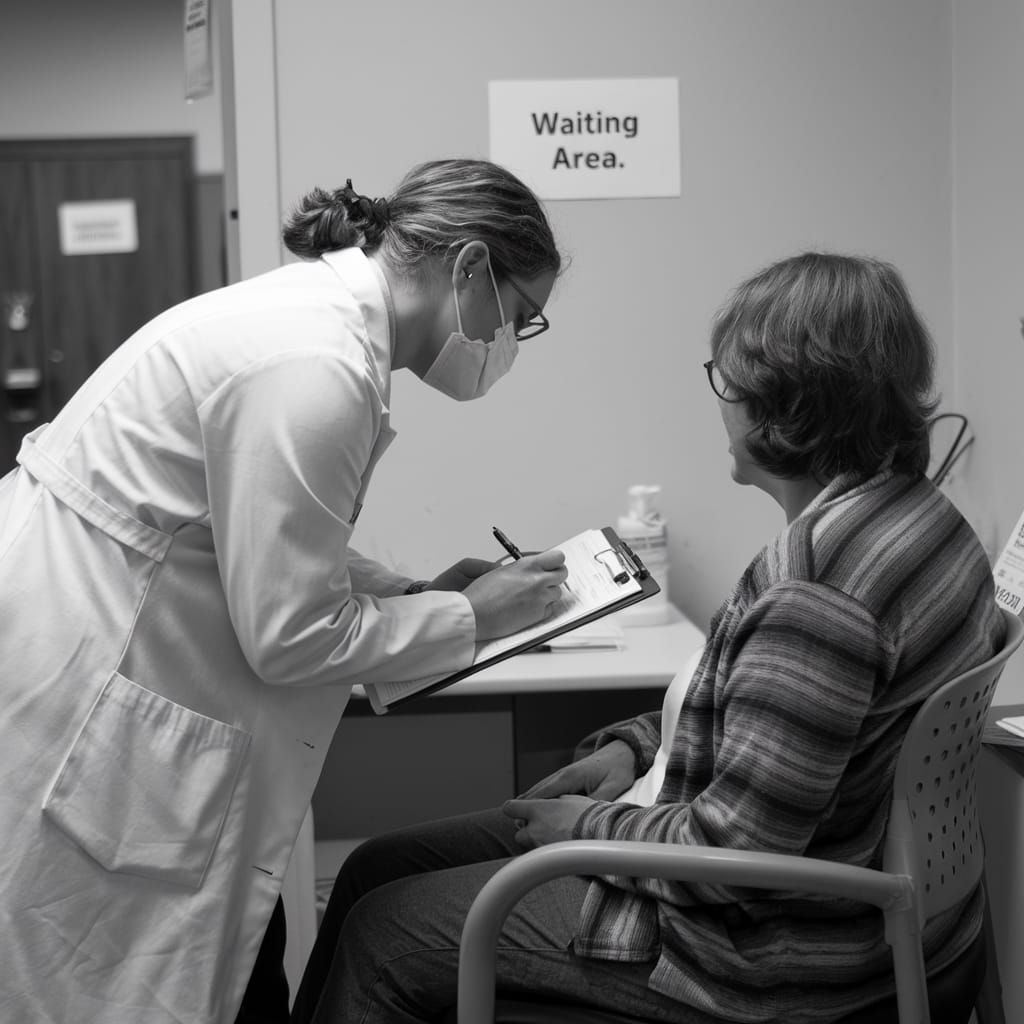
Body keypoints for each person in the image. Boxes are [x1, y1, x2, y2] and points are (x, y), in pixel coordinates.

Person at [290, 252, 1005, 1024]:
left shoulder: (819, 590)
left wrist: (585, 827)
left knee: (384, 931)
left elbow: (738, 859)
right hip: (863, 912)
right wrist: (629, 749)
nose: (720, 404)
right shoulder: (923, 524)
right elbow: (770, 725)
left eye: (727, 383)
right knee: (373, 868)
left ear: (787, 405)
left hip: (753, 950)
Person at [0, 158, 568, 1024]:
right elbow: (290, 635)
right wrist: (468, 617)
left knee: (218, 961)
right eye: (520, 318)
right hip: (94, 677)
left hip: (105, 645)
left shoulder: (316, 328)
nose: (508, 345)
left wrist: (415, 591)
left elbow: (252, 543)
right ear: (469, 267)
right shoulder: (317, 366)